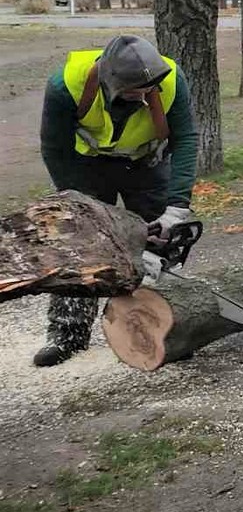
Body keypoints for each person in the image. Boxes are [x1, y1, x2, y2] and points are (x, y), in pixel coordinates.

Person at [34, 35, 198, 367]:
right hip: (87, 167)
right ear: (110, 80)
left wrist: (177, 207)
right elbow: (54, 147)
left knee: (160, 242)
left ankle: (165, 332)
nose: (143, 94)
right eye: (134, 90)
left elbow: (186, 138)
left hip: (146, 164)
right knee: (78, 244)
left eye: (147, 89)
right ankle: (67, 334)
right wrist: (75, 200)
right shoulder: (66, 85)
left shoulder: (171, 79)